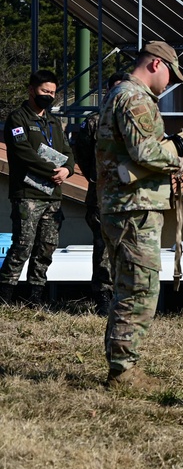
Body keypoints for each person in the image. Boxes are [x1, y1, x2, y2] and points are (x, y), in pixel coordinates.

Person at [96, 41, 183, 390]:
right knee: (139, 288)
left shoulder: (118, 94)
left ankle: (121, 364)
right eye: (170, 73)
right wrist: (179, 161)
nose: (170, 83)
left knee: (129, 286)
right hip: (134, 207)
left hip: (124, 205)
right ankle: (123, 371)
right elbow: (144, 150)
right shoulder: (135, 97)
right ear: (156, 64)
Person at [0, 69, 75, 307]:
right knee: (22, 245)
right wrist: (52, 171)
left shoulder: (53, 121)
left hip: (53, 194)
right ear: (32, 90)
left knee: (46, 248)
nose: (49, 96)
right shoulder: (18, 118)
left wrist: (68, 170)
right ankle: (5, 297)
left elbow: (67, 153)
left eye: (52, 92)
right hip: (28, 193)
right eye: (45, 91)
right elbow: (24, 154)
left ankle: (36, 299)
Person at [71, 71, 125, 315]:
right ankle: (103, 296)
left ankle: (126, 295)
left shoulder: (133, 120)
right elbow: (80, 152)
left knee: (128, 245)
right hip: (101, 195)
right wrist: (94, 175)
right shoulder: (93, 122)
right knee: (102, 245)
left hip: (128, 196)